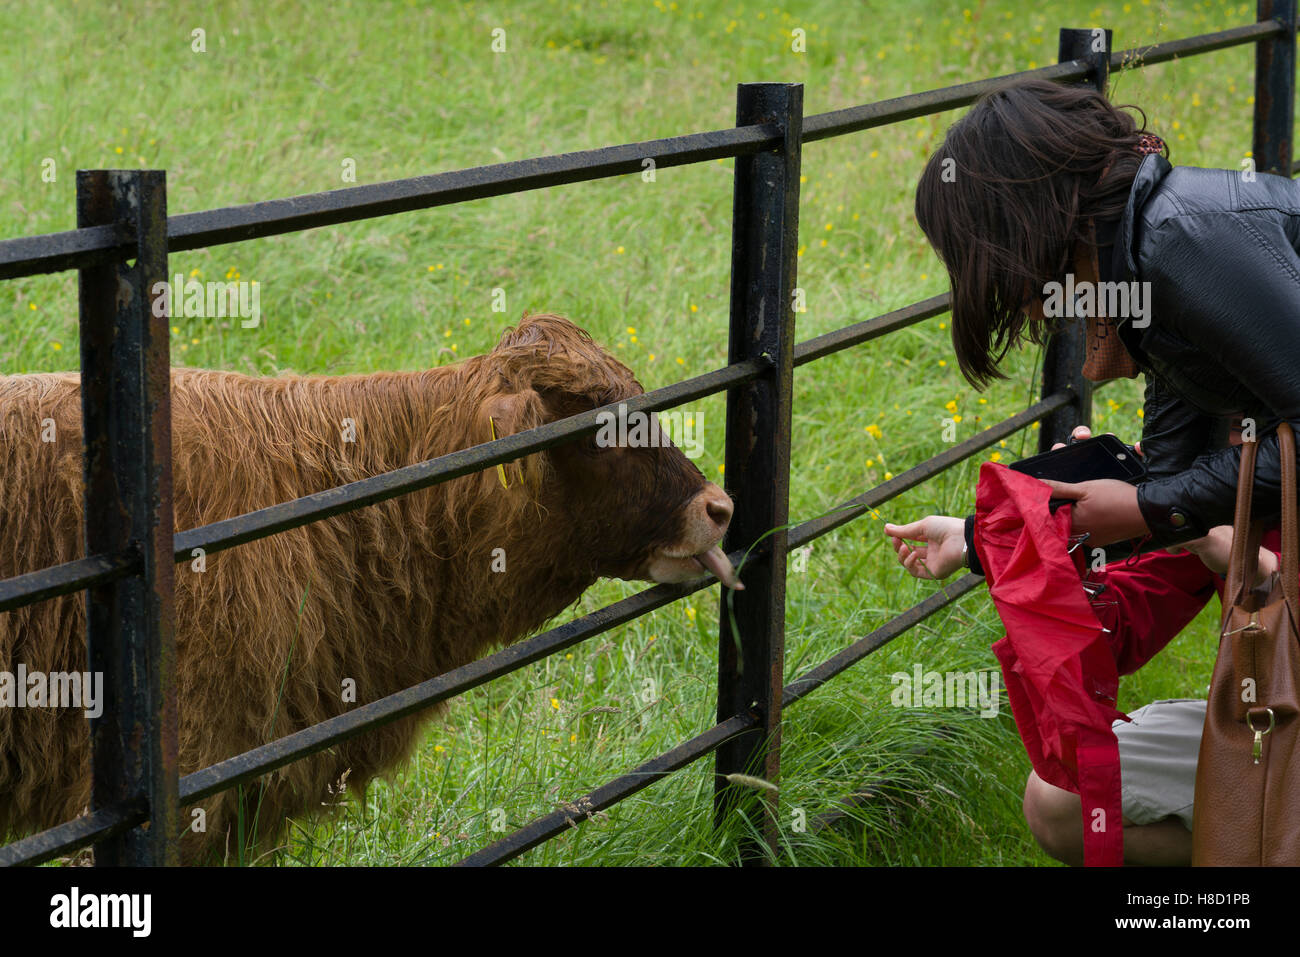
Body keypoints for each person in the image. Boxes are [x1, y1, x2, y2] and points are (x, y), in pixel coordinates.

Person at [882, 77, 1300, 865]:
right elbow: (1168, 517)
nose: (1031, 310)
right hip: (1285, 660)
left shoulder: (1188, 243)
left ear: (1030, 227)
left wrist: (1164, 516)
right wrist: (986, 540)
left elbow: (1178, 507)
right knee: (1066, 801)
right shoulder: (1151, 284)